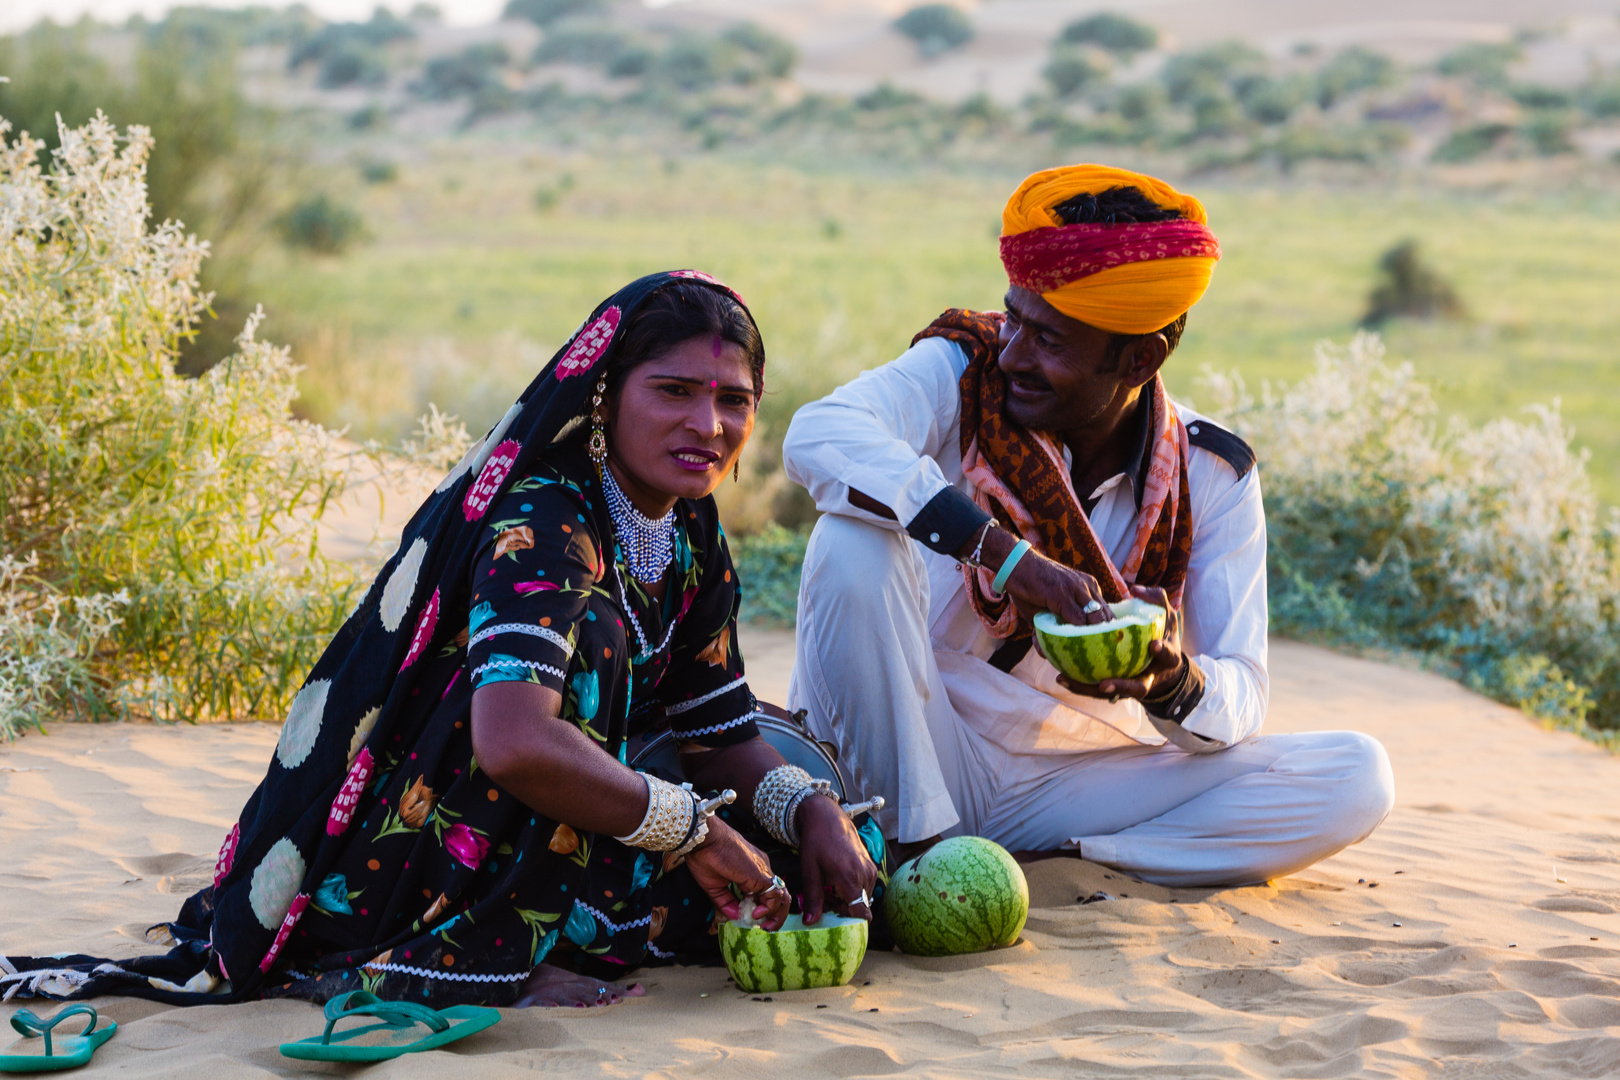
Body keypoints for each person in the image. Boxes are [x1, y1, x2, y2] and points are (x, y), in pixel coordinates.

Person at [1, 272, 878, 1009]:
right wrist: (690, 832)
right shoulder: (547, 514)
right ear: (607, 394)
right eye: (675, 391)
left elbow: (719, 728)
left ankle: (583, 924)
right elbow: (515, 742)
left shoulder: (691, 530)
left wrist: (806, 811)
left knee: (819, 863)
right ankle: (493, 954)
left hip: (568, 823)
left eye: (735, 400)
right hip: (429, 839)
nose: (709, 426)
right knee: (599, 644)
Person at [782, 166, 1395, 889]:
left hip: (1066, 779)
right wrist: (1006, 558)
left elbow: (1243, 694)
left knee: (1356, 776)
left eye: (1049, 341)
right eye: (1015, 319)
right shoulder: (962, 373)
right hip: (910, 737)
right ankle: (920, 855)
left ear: (1142, 357)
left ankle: (1064, 865)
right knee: (852, 542)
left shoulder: (1212, 474)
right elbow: (818, 434)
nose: (1013, 354)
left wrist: (1170, 680)